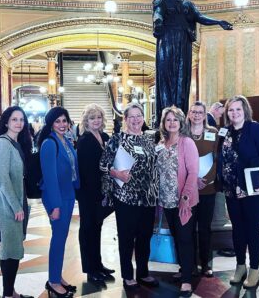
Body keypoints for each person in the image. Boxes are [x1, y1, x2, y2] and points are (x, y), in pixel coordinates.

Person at [219, 95, 259, 289]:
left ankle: (254, 270)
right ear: (227, 113)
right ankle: (240, 266)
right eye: (230, 110)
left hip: (254, 190)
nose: (234, 113)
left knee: (252, 230)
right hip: (231, 190)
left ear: (245, 110)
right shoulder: (225, 132)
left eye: (238, 109)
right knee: (237, 230)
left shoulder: (255, 129)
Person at [100, 103, 159, 290]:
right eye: (131, 116)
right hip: (126, 197)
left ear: (143, 118)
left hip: (148, 198)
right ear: (125, 119)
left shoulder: (150, 140)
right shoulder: (117, 139)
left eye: (139, 115)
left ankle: (143, 272)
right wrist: (117, 174)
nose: (135, 120)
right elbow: (103, 165)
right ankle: (127, 275)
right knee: (126, 238)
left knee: (145, 237)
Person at [152, 0, 232, 125]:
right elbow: (158, 13)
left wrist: (218, 22)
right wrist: (158, 21)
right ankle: (165, 119)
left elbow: (200, 17)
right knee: (166, 80)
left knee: (182, 81)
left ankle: (180, 119)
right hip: (167, 43)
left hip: (183, 44)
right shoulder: (161, 1)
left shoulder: (187, 4)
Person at [0, 106, 33, 298]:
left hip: (15, 202)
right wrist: (16, 206)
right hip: (7, 206)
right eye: (14, 119)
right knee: (11, 250)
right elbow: (3, 179)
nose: (19, 123)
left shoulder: (15, 142)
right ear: (6, 122)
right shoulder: (2, 144)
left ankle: (10, 291)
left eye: (21, 119)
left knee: (13, 247)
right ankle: (8, 295)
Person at [156, 106, 199, 297]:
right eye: (168, 120)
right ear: (164, 123)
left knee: (185, 238)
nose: (171, 123)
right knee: (176, 236)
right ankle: (184, 269)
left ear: (181, 122)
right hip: (166, 200)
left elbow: (193, 172)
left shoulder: (187, 142)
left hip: (183, 200)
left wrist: (185, 197)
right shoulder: (161, 142)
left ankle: (187, 281)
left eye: (175, 119)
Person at [38, 107, 79, 298]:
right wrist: (55, 205)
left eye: (64, 121)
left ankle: (57, 276)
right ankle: (53, 281)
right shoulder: (49, 143)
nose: (62, 124)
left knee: (61, 238)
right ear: (51, 124)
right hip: (56, 197)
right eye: (58, 121)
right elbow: (50, 177)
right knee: (58, 238)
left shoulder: (66, 141)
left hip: (68, 194)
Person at [76, 104, 115, 285]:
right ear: (86, 121)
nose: (96, 121)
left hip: (100, 191)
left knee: (96, 229)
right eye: (92, 118)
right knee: (88, 230)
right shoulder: (85, 140)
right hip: (88, 194)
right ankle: (90, 269)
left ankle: (98, 264)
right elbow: (87, 172)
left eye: (98, 117)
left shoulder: (103, 136)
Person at [187, 101, 219, 278]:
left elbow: (216, 159)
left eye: (200, 112)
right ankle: (190, 263)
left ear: (205, 114)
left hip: (208, 188)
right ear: (189, 114)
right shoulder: (183, 133)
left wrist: (205, 180)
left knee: (205, 228)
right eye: (194, 112)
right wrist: (193, 181)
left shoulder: (213, 133)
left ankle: (206, 263)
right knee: (189, 228)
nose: (197, 115)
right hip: (188, 189)